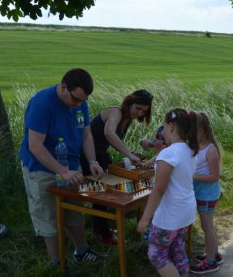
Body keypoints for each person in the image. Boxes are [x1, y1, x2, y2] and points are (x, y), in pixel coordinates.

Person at [19, 68, 104, 265]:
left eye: (83, 100)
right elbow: (35, 145)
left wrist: (92, 161)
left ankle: (81, 251)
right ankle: (57, 262)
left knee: (75, 208)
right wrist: (62, 171)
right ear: (64, 87)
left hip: (72, 166)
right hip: (42, 167)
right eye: (76, 99)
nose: (79, 105)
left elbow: (86, 135)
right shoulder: (42, 103)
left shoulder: (80, 103)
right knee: (47, 213)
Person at [137, 108, 199, 277]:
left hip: (170, 214)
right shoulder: (190, 150)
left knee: (156, 254)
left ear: (171, 126)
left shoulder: (169, 153)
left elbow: (159, 189)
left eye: (163, 126)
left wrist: (145, 219)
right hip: (186, 210)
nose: (161, 130)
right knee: (178, 251)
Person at [80, 89, 153, 245]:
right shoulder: (116, 112)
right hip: (87, 155)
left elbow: (113, 141)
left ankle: (101, 227)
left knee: (106, 191)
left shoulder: (128, 119)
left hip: (101, 155)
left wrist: (132, 153)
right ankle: (102, 233)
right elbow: (108, 133)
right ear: (130, 102)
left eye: (143, 111)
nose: (139, 113)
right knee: (99, 193)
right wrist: (128, 153)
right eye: (138, 108)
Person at [190, 112, 222, 274]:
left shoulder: (211, 151)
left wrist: (192, 175)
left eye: (191, 129)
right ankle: (214, 254)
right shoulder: (199, 147)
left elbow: (214, 177)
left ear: (200, 130)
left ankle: (210, 262)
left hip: (207, 194)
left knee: (207, 227)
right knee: (209, 225)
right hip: (202, 193)